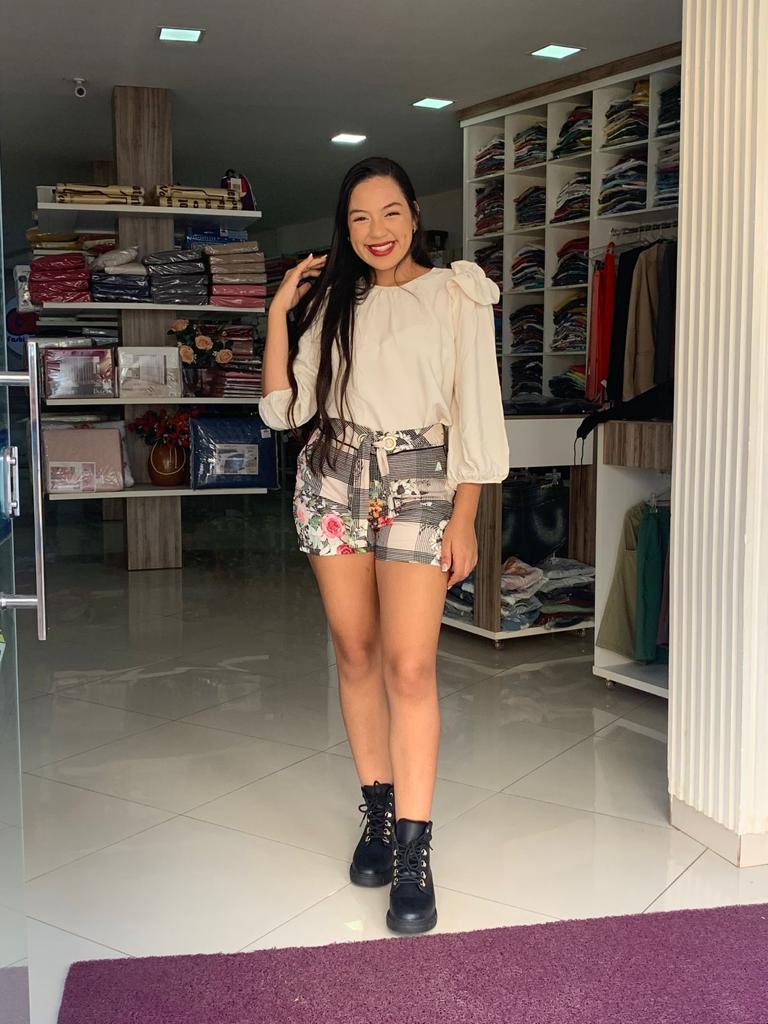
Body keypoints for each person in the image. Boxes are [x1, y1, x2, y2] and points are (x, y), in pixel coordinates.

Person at [259, 156, 508, 934]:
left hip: (421, 480)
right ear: (345, 227)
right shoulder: (334, 304)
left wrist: (465, 516)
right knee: (356, 652)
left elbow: (478, 410)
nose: (377, 231)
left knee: (410, 666)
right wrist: (279, 313)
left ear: (415, 215)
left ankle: (413, 850)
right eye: (360, 218)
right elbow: (283, 410)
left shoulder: (457, 293)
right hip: (333, 475)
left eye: (391, 212)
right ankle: (378, 808)